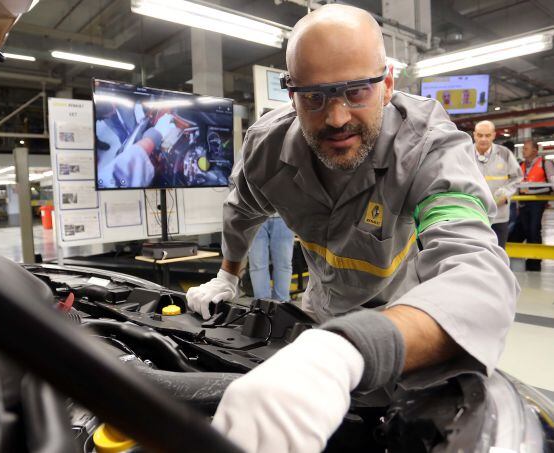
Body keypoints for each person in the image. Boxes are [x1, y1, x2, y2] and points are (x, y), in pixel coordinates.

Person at [185, 5, 518, 452]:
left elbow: (479, 278)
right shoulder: (267, 152)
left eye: (357, 90)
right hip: (320, 313)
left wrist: (345, 351)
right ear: (291, 95)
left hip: (411, 324)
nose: (337, 117)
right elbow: (241, 210)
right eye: (315, 96)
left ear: (387, 84)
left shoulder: (429, 151)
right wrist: (227, 275)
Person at [470, 120, 522, 247]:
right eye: (480, 135)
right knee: (474, 254)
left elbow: (517, 177)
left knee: (498, 255)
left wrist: (505, 194)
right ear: (474, 135)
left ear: (493, 135)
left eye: (487, 135)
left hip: (499, 216)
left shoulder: (505, 154)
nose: (483, 139)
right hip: (472, 215)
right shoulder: (464, 154)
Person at [509, 139, 554, 271]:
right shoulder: (521, 164)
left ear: (535, 150)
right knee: (519, 231)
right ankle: (515, 259)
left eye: (526, 148)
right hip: (523, 201)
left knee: (533, 229)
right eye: (523, 148)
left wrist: (533, 190)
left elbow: (551, 181)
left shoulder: (546, 163)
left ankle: (534, 264)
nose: (523, 151)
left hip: (537, 202)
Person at [247, 215, 294, 301]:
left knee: (283, 265)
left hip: (282, 213)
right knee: (257, 264)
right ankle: (262, 306)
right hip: (255, 214)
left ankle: (282, 306)